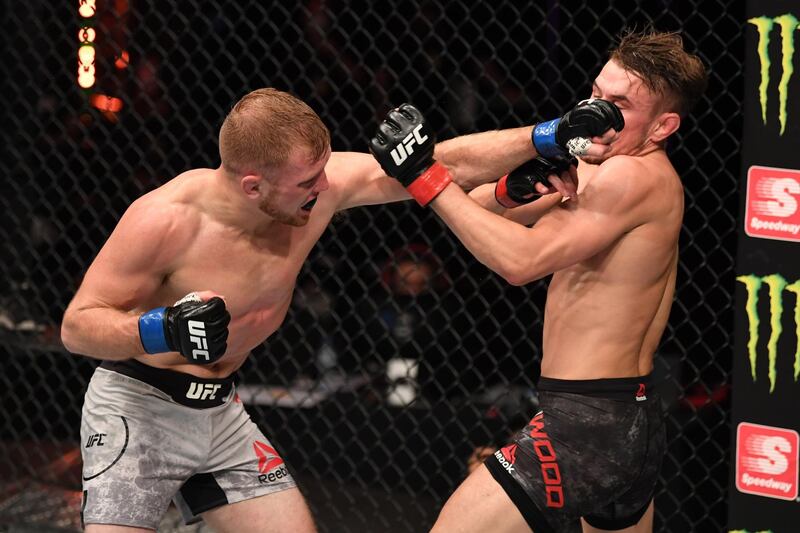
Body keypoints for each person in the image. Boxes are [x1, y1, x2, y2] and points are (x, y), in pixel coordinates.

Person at [60, 88, 616, 532]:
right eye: (307, 182)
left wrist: (546, 135)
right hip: (139, 408)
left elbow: (434, 162)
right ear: (253, 186)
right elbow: (78, 328)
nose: (324, 188)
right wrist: (161, 329)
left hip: (220, 412)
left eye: (323, 171)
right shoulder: (165, 220)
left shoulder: (315, 188)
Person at [370, 30, 708, 533]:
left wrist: (423, 174)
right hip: (623, 417)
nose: (600, 111)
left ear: (663, 126)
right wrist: (511, 190)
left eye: (620, 104)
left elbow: (519, 263)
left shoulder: (633, 178)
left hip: (587, 421)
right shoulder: (598, 164)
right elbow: (475, 213)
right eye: (596, 93)